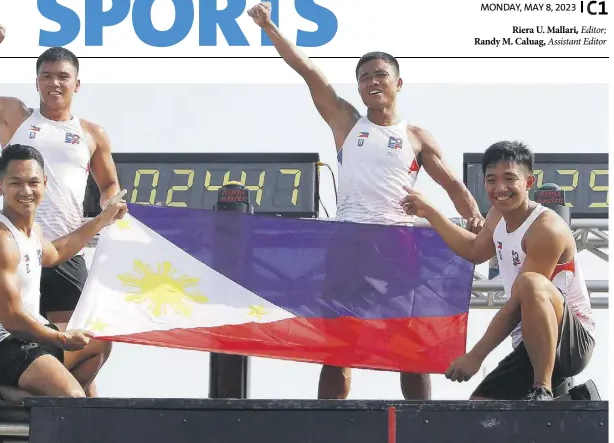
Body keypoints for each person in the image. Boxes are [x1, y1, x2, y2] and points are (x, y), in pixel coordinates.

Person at [247, 1, 485, 400]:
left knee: (408, 343)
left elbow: (454, 187)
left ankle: (418, 422)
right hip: (349, 244)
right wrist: (269, 27)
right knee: (338, 342)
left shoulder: (417, 137)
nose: (372, 82)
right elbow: (309, 72)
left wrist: (476, 219)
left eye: (380, 75)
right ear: (358, 88)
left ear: (398, 83)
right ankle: (328, 424)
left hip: (398, 246)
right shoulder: (346, 122)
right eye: (364, 78)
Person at [0, 21, 124, 397]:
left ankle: (80, 416)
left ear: (77, 84)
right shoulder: (16, 116)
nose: (54, 83)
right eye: (46, 76)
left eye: (63, 77)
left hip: (61, 250)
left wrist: (109, 207)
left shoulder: (92, 133)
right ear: (37, 82)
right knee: (16, 334)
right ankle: (9, 389)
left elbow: (109, 184)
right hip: (17, 243)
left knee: (87, 343)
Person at [400, 141, 596, 400]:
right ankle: (545, 393)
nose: (500, 188)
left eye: (510, 179)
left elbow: (518, 302)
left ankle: (543, 390)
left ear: (529, 183)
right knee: (480, 409)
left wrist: (476, 356)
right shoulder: (496, 216)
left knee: (530, 284)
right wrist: (431, 212)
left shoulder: (546, 229)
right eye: (492, 180)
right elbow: (473, 250)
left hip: (572, 342)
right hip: (529, 344)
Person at [0, 144, 127, 400]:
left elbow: (58, 251)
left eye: (33, 182)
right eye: (15, 183)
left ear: (45, 184)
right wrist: (61, 338)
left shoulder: (32, 232)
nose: (26, 191)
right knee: (72, 399)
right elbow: (13, 320)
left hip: (29, 336)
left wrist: (102, 220)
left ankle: (28, 394)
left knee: (99, 342)